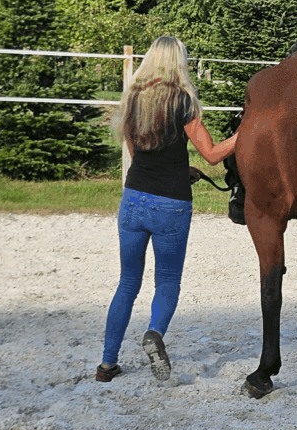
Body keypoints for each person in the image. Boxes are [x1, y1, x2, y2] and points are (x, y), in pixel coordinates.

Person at [97, 36, 237, 382]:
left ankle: (107, 364)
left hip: (134, 198)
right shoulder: (183, 101)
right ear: (179, 62)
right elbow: (213, 155)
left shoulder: (133, 98)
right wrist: (249, 131)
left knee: (127, 282)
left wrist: (178, 167)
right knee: (168, 280)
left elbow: (139, 153)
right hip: (171, 204)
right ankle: (154, 333)